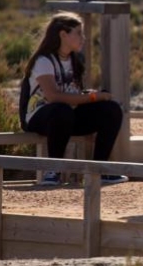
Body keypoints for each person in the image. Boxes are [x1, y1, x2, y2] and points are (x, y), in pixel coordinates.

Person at [21, 12, 126, 186]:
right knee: (61, 110)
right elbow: (53, 96)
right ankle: (53, 170)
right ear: (63, 34)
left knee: (111, 109)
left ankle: (98, 170)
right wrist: (93, 97)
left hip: (68, 115)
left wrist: (92, 96)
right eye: (78, 33)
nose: (83, 38)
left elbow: (73, 94)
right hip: (41, 116)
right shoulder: (44, 61)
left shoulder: (75, 61)